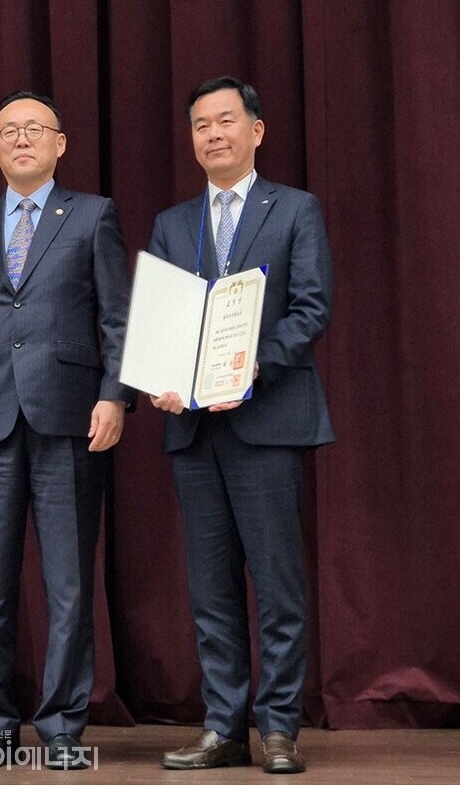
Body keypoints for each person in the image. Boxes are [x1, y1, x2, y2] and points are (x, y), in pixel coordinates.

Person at [0, 91, 135, 770]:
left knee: (69, 583)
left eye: (34, 130)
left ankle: (60, 725)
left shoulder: (92, 216)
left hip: (70, 418)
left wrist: (114, 396)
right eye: (8, 133)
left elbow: (117, 318)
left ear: (60, 143)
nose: (22, 140)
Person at [148, 77, 333, 775]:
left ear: (257, 130)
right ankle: (222, 727)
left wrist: (247, 371)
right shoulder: (172, 224)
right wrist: (163, 375)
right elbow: (163, 323)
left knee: (278, 586)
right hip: (194, 432)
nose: (213, 134)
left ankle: (278, 727)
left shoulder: (294, 209)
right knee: (211, 588)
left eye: (226, 121)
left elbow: (311, 310)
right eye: (201, 125)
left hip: (266, 421)